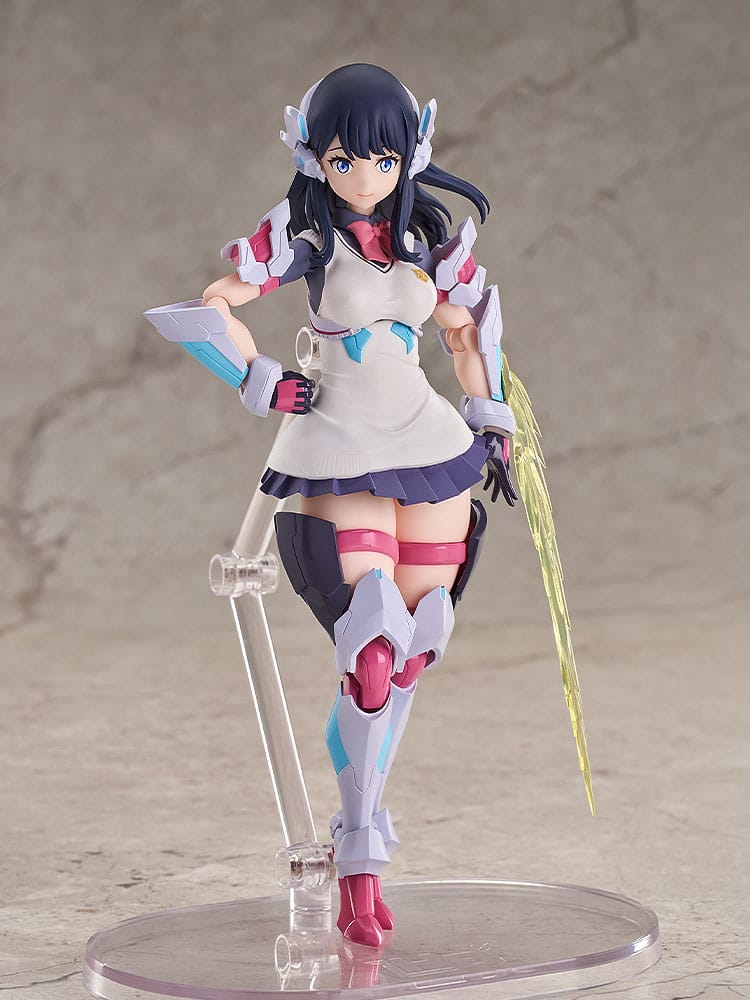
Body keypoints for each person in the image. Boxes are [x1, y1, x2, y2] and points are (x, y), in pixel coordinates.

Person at [200, 63, 517, 948]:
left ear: (409, 153)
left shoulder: (428, 244)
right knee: (370, 646)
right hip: (338, 445)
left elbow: (467, 330)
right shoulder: (306, 240)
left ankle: (360, 832)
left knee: (416, 645)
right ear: (316, 156)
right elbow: (216, 304)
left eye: (382, 159)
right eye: (345, 159)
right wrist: (259, 379)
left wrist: (490, 417)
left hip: (429, 442)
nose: (365, 176)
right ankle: (360, 862)